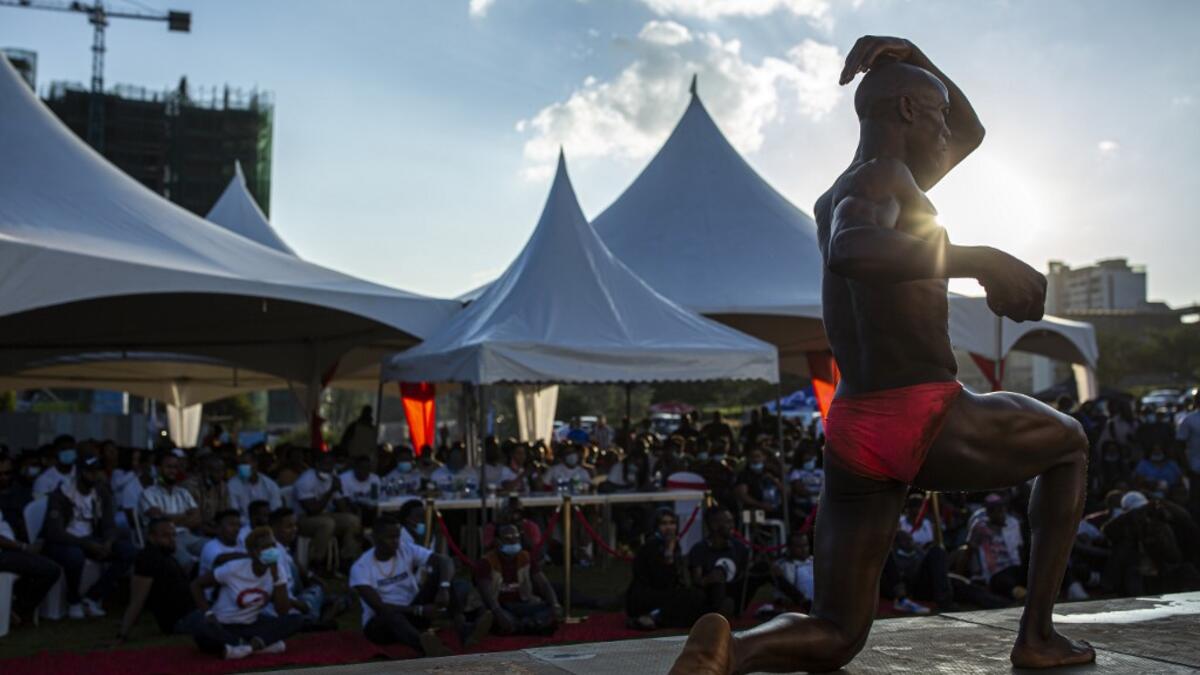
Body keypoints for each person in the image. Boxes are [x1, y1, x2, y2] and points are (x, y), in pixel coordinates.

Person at [671, 36, 1094, 673]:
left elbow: (972, 131)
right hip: (925, 410)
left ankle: (732, 651)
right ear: (904, 111)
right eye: (935, 116)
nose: (948, 130)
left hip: (854, 426)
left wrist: (920, 57)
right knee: (1070, 445)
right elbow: (853, 250)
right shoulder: (881, 180)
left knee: (837, 632)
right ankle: (1037, 636)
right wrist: (979, 259)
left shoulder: (855, 184)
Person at [43, 456, 136, 619]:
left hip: (91, 539)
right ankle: (73, 600)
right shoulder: (61, 494)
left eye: (97, 471)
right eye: (89, 472)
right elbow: (54, 532)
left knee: (128, 551)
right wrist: (85, 544)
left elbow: (109, 524)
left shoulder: (101, 493)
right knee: (75, 556)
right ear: (79, 472)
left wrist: (108, 542)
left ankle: (93, 596)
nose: (94, 475)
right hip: (63, 542)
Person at [349, 517, 456, 656]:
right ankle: (425, 646)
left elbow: (444, 561)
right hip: (381, 624)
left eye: (397, 537)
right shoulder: (361, 567)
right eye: (389, 538)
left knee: (444, 575)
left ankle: (464, 627)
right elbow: (379, 607)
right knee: (391, 615)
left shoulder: (405, 549)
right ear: (375, 538)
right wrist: (419, 610)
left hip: (413, 613)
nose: (395, 542)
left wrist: (444, 588)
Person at [190, 527, 302, 659]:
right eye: (265, 547)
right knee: (200, 628)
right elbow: (196, 585)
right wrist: (208, 613)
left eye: (273, 545)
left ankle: (245, 648)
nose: (271, 550)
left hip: (252, 625)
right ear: (253, 552)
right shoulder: (233, 569)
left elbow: (283, 612)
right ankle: (259, 645)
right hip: (225, 625)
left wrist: (277, 577)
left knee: (296, 620)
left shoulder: (278, 570)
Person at [117, 518, 199, 644]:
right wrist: (123, 634)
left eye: (173, 535)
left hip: (191, 614)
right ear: (151, 537)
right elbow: (137, 600)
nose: (172, 540)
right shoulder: (147, 559)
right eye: (165, 536)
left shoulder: (165, 556)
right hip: (181, 620)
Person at [625, 508, 704, 630]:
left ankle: (653, 617)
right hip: (645, 595)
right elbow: (661, 579)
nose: (669, 527)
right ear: (656, 526)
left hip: (663, 593)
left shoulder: (672, 543)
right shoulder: (651, 546)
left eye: (672, 523)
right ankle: (651, 617)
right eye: (664, 523)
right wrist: (669, 552)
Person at [475, 523, 559, 635]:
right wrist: (498, 612)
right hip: (500, 605)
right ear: (497, 541)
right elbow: (486, 594)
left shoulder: (525, 557)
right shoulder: (486, 562)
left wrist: (555, 604)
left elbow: (543, 584)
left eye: (516, 537)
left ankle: (523, 625)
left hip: (523, 603)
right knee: (497, 618)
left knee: (549, 609)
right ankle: (528, 625)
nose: (513, 541)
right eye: (507, 538)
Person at [687, 506, 766, 620]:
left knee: (765, 567)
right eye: (728, 522)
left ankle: (798, 602)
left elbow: (745, 573)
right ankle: (719, 615)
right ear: (714, 525)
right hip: (711, 595)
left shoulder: (739, 546)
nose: (732, 526)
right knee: (718, 574)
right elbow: (697, 581)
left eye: (732, 521)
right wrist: (710, 578)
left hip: (735, 591)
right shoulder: (699, 549)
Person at [294, 453, 362, 571]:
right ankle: (317, 562)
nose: (329, 468)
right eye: (326, 465)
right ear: (317, 464)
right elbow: (312, 510)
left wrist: (345, 505)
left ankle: (346, 560)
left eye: (331, 465)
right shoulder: (305, 481)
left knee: (352, 520)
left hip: (325, 515)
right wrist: (331, 491)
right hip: (302, 518)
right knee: (327, 523)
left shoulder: (332, 476)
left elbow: (340, 504)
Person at [140, 450, 205, 572]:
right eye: (169, 467)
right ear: (158, 469)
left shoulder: (183, 493)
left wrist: (168, 518)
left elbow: (198, 519)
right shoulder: (148, 493)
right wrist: (186, 516)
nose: (173, 471)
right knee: (188, 563)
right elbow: (160, 523)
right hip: (164, 539)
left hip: (188, 536)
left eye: (175, 467)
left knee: (212, 551)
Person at [0, 500, 61, 627]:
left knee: (50, 568)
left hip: (10, 550)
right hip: (6, 553)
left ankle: (16, 610)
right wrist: (22, 546)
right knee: (49, 569)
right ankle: (17, 612)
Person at [967, 494, 1026, 600]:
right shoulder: (980, 527)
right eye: (997, 511)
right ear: (989, 513)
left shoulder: (1012, 523)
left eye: (1003, 510)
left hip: (1014, 567)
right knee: (1004, 582)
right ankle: (1019, 594)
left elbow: (1019, 548)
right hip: (996, 572)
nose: (1002, 514)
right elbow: (970, 550)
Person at [184, 454, 232, 538]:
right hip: (194, 530)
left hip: (215, 527)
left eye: (222, 470)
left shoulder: (222, 486)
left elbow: (226, 512)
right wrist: (215, 531)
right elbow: (192, 520)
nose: (220, 474)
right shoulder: (190, 487)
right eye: (216, 471)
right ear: (206, 471)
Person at [228, 453, 282, 522]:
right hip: (244, 526)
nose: (242, 467)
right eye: (240, 464)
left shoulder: (270, 484)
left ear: (255, 463)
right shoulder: (232, 485)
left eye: (245, 463)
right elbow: (234, 513)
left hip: (268, 523)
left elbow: (276, 509)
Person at [770, 533, 815, 613]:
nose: (804, 549)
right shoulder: (782, 565)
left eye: (805, 545)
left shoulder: (814, 561)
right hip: (796, 606)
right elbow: (785, 588)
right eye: (799, 547)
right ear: (789, 548)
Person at [198, 509, 246, 577]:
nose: (236, 529)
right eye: (232, 525)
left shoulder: (242, 543)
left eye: (238, 525)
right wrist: (253, 556)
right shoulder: (210, 546)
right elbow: (221, 560)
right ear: (218, 527)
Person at [341, 406, 379, 470]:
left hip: (364, 460)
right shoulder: (354, 426)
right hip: (354, 458)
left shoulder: (372, 429)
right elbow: (345, 442)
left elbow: (373, 446)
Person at [1177, 393, 1200, 475]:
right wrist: (1185, 465)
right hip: (1195, 468)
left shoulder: (1188, 419)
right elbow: (1180, 445)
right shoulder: (1189, 420)